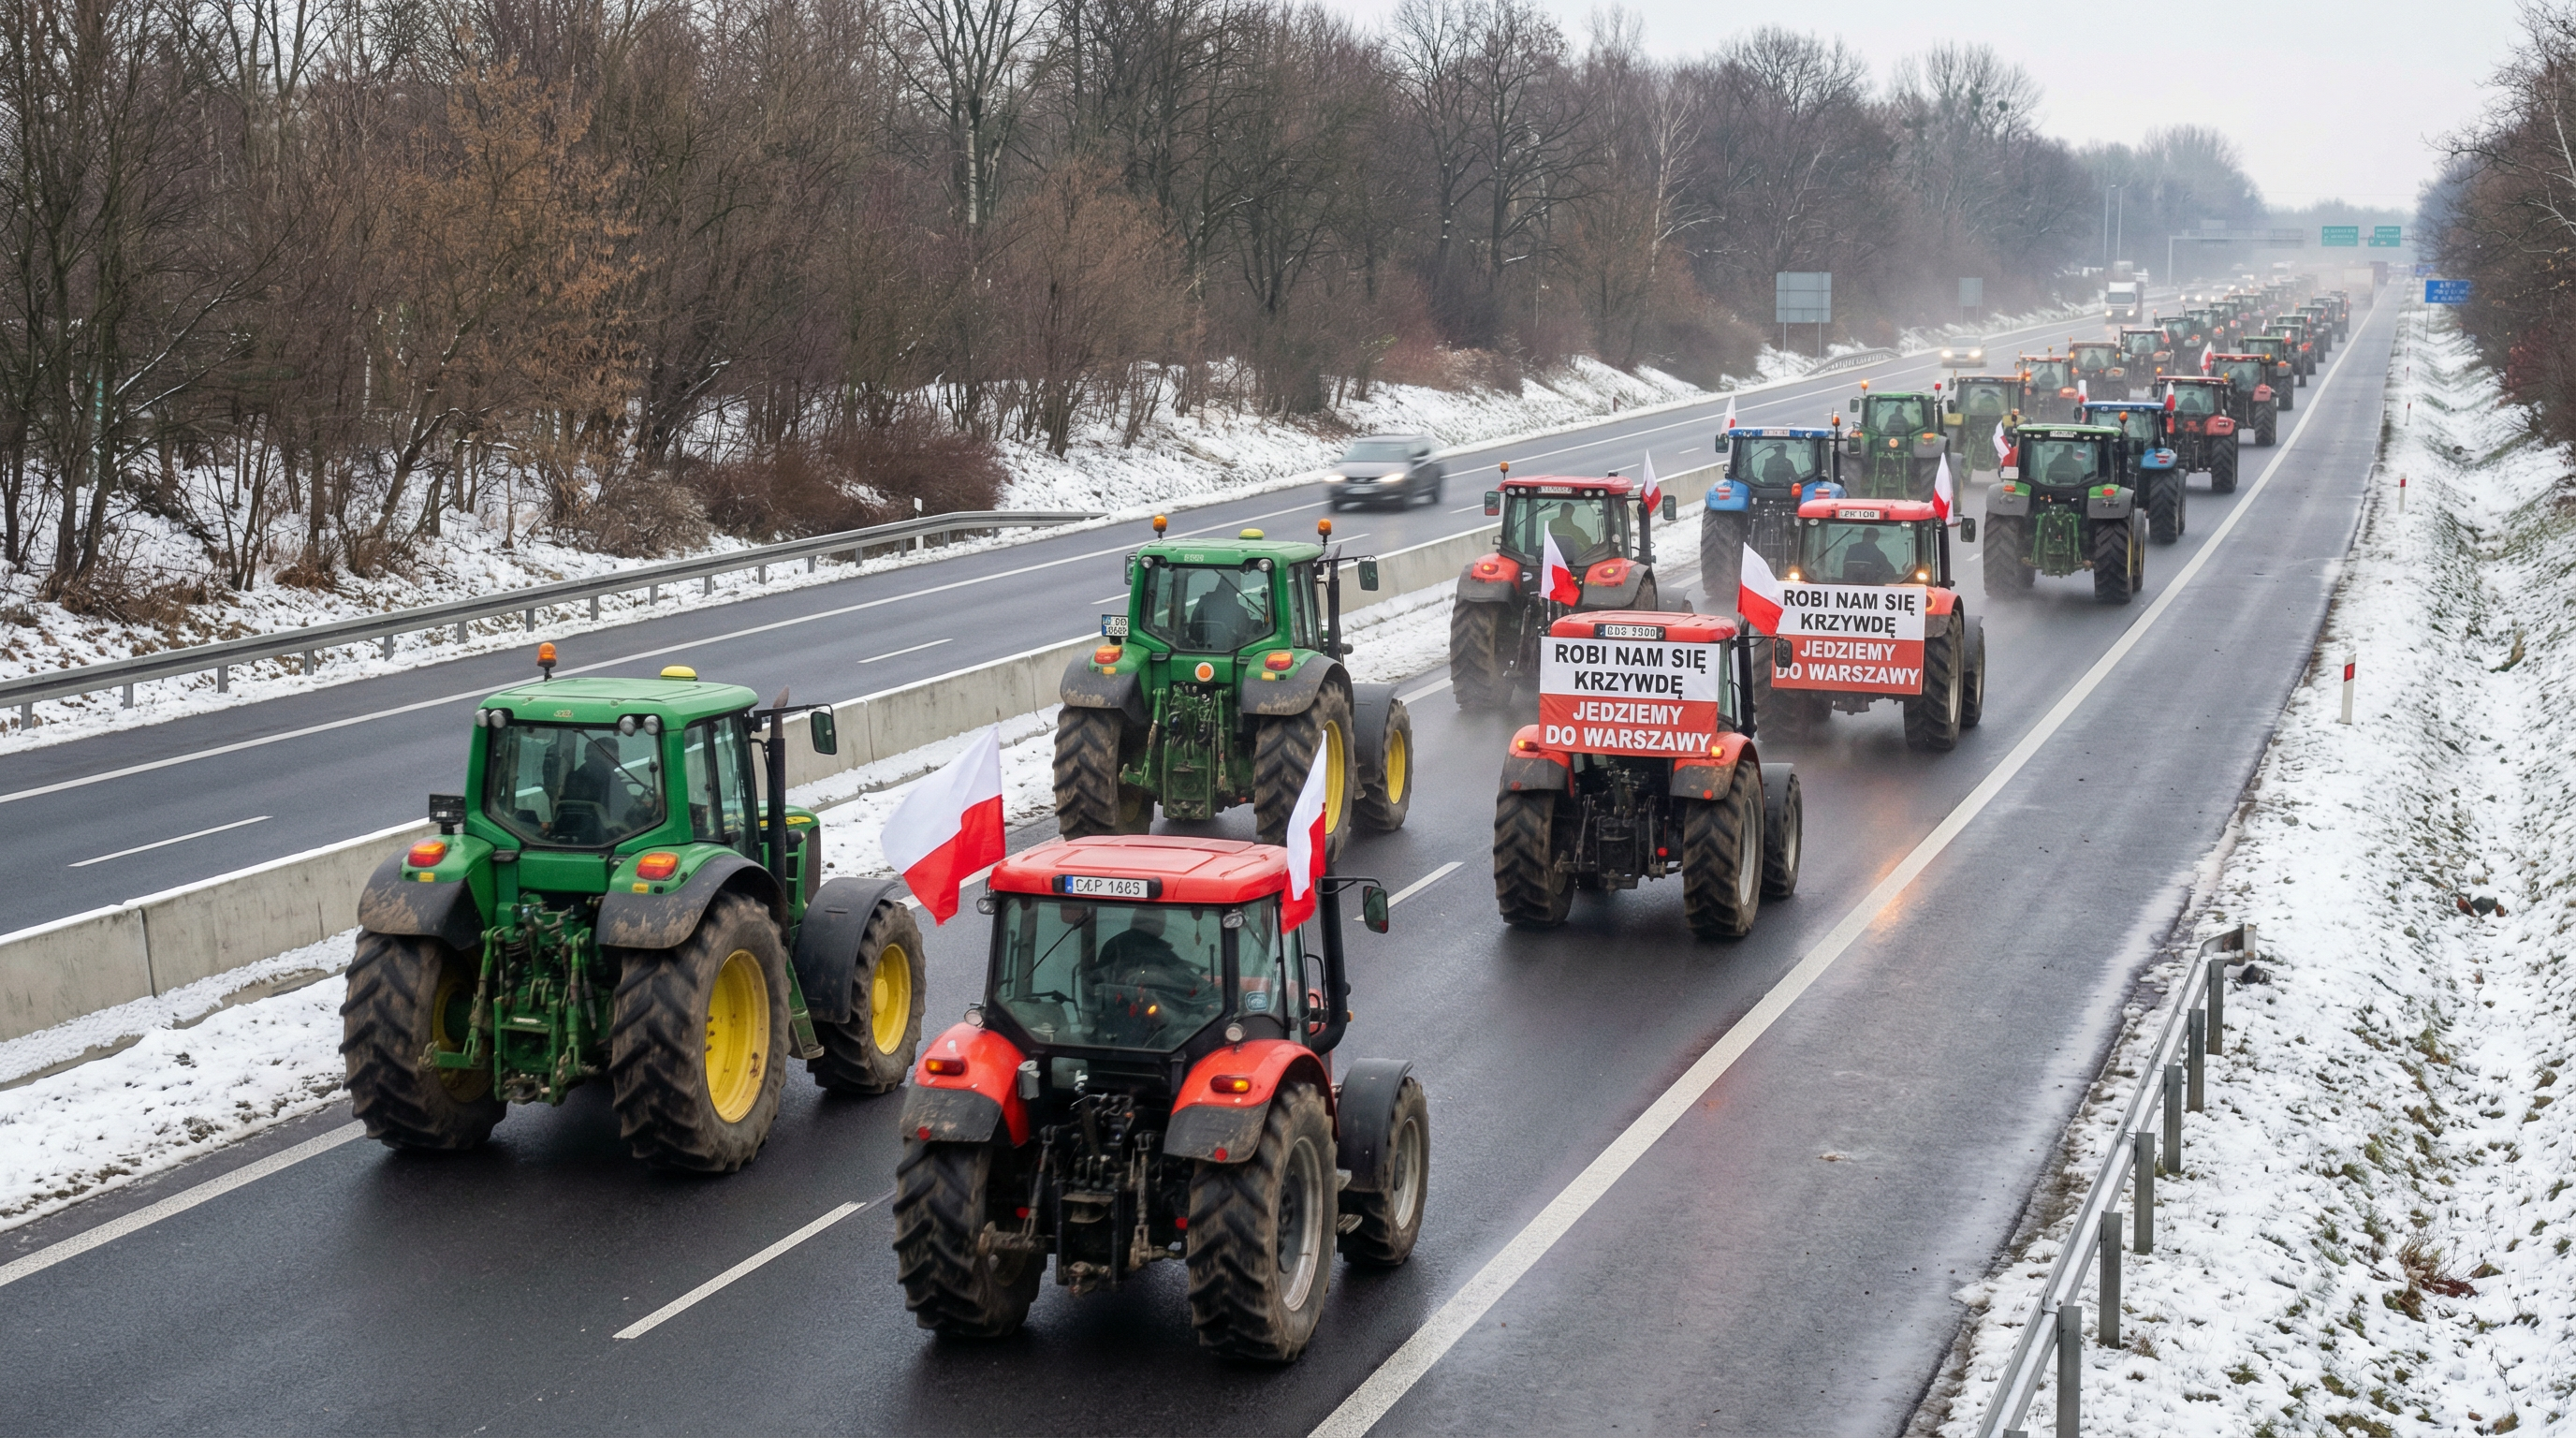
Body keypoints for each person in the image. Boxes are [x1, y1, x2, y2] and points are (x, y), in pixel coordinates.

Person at [1837, 530, 1901, 584]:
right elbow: (1891, 572)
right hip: (1873, 588)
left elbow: (1839, 570)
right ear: (1876, 538)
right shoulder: (1878, 554)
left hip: (1846, 587)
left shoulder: (1851, 550)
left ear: (1863, 536)